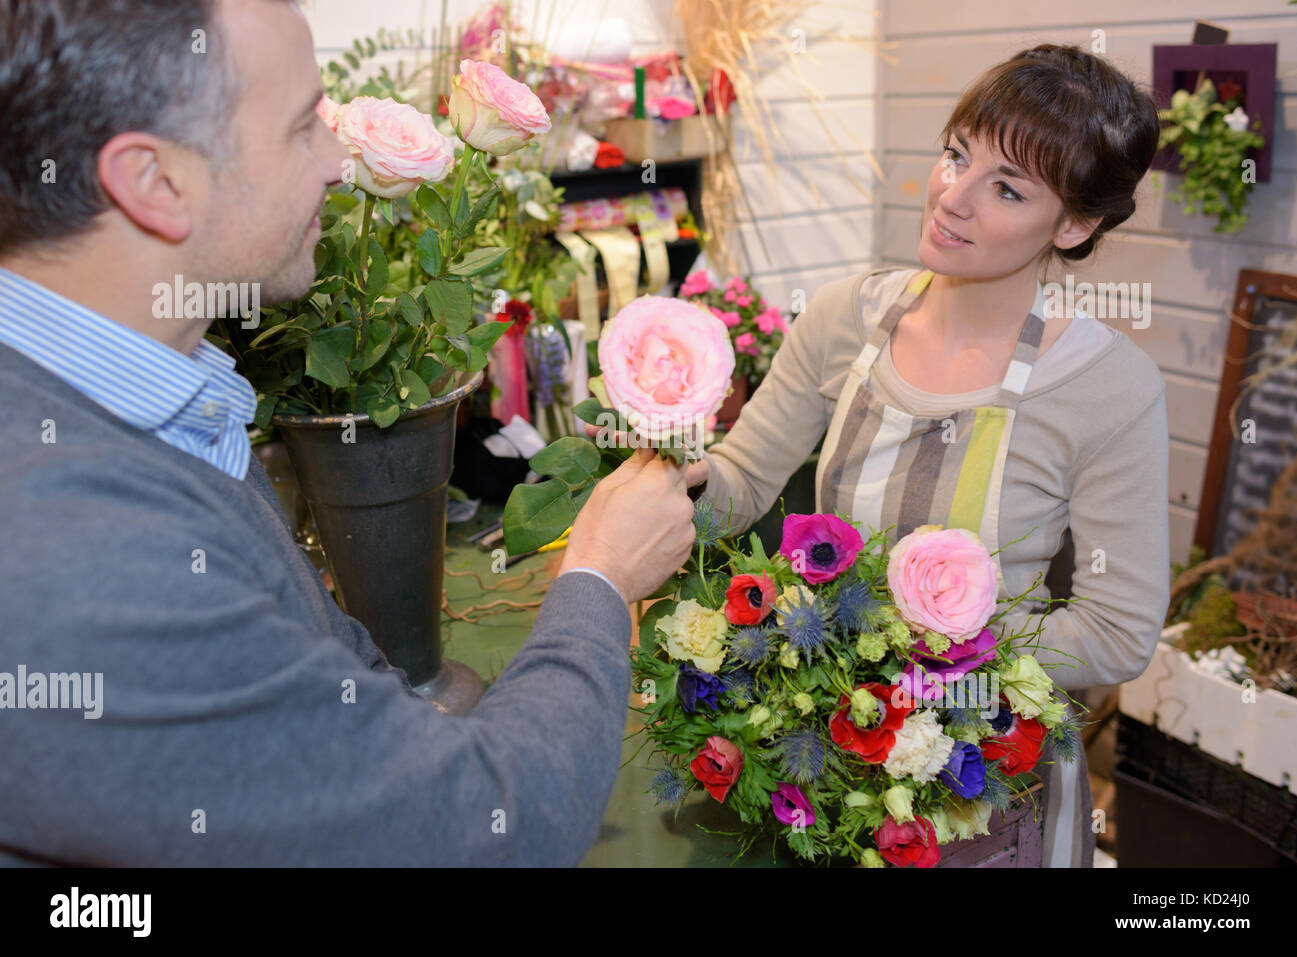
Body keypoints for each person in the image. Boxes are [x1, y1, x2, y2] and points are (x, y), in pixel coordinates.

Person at [0, 0, 697, 866]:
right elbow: (489, 828)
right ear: (156, 181)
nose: (337, 163)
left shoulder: (156, 399)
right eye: (302, 130)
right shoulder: (77, 551)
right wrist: (600, 573)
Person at [694, 45, 1171, 867]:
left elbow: (1119, 631)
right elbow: (737, 487)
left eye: (1007, 188)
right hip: (823, 753)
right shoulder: (848, 318)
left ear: (1074, 224)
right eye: (956, 155)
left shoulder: (1108, 387)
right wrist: (669, 471)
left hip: (979, 772)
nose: (953, 196)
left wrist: (941, 652)